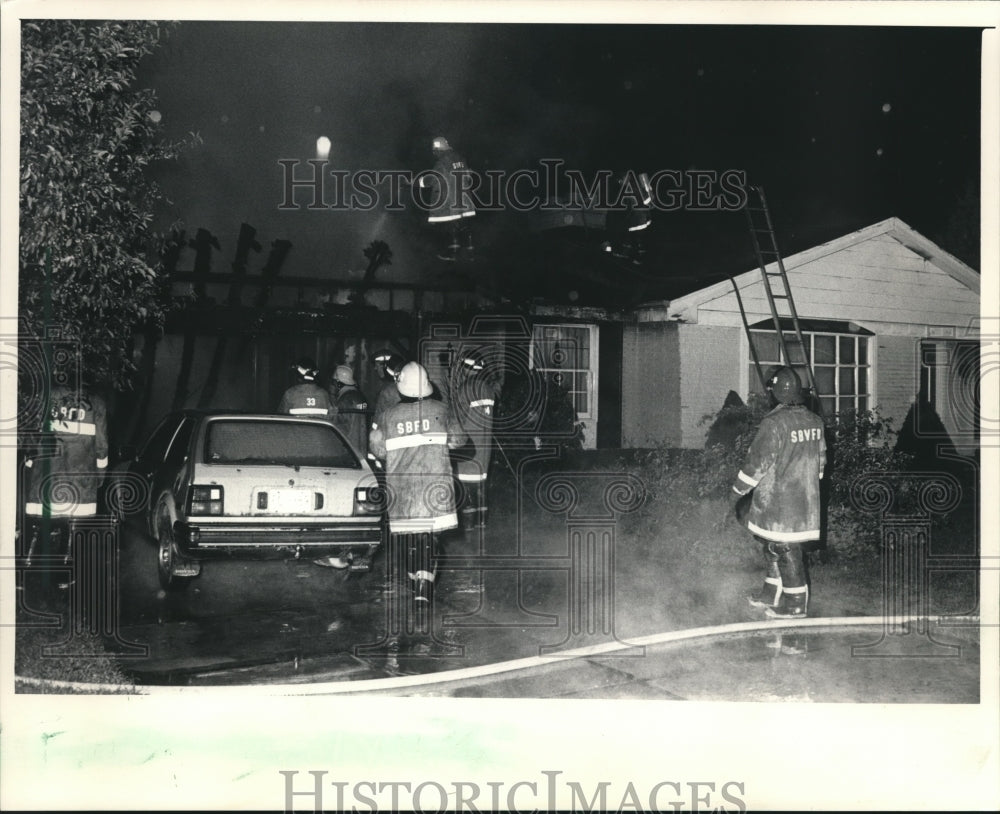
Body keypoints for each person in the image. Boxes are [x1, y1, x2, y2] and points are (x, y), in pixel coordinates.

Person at [369, 362, 468, 605]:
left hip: (403, 490)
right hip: (435, 487)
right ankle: (424, 583)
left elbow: (377, 450)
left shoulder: (387, 416)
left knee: (409, 538)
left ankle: (418, 581)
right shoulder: (442, 410)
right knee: (430, 536)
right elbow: (460, 441)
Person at [732, 366, 826, 618]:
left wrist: (738, 489)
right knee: (772, 546)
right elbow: (821, 462)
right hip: (805, 498)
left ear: (775, 392)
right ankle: (771, 593)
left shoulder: (773, 423)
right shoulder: (815, 421)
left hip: (779, 501)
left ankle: (795, 604)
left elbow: (758, 462)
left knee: (786, 549)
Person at [23, 371, 108, 585]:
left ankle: (28, 571)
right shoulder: (96, 403)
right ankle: (63, 574)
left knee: (42, 523)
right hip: (79, 479)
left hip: (45, 476)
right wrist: (100, 474)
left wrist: (29, 465)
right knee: (72, 526)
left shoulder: (46, 396)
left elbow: (32, 435)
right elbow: (101, 446)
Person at [449, 348, 497, 531]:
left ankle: (468, 526)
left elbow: (457, 421)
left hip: (468, 447)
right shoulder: (489, 390)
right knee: (480, 485)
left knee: (466, 485)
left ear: (466, 368)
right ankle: (482, 522)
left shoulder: (465, 389)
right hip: (485, 448)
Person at [419, 136, 476, 261]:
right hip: (465, 198)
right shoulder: (460, 158)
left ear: (438, 150)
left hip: (451, 201)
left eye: (434, 151)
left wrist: (418, 182)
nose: (434, 153)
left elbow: (432, 180)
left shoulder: (441, 163)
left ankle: (453, 253)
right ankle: (471, 252)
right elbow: (468, 175)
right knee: (464, 224)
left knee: (452, 226)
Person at [329, 364, 369, 457]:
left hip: (348, 451)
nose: (332, 386)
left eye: (333, 382)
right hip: (362, 449)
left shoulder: (345, 400)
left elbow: (337, 426)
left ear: (338, 384)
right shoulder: (360, 397)